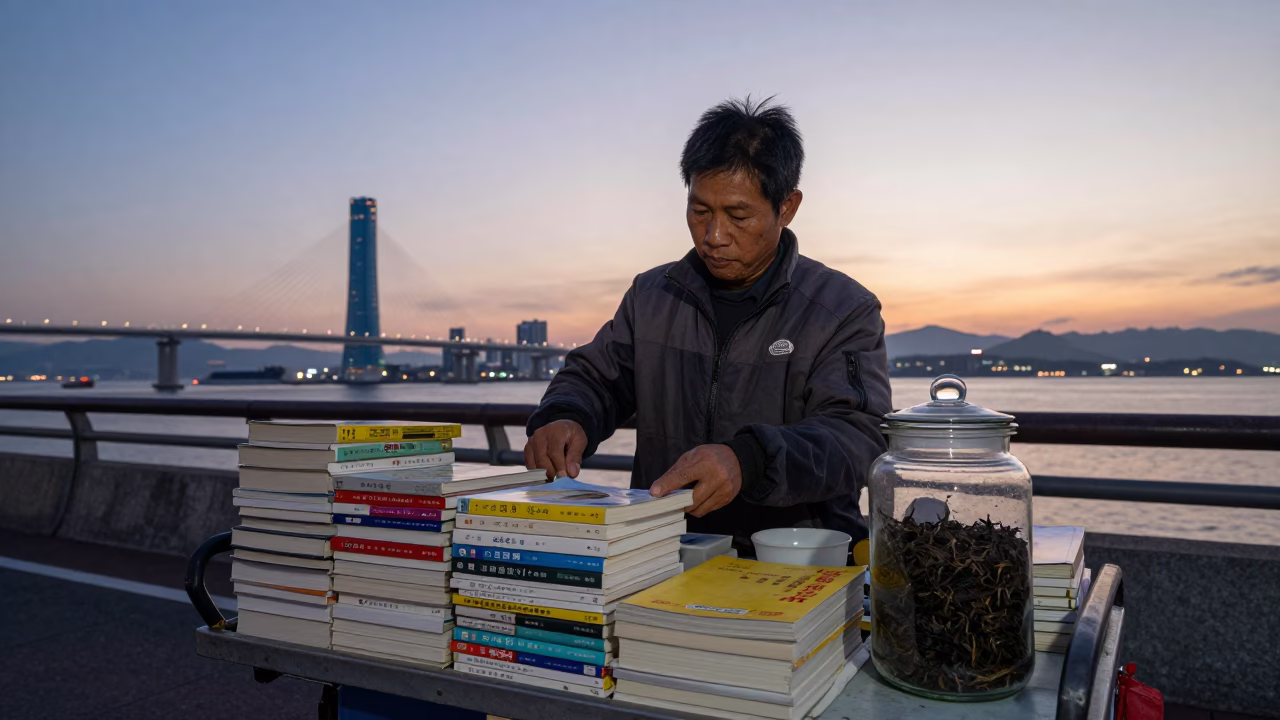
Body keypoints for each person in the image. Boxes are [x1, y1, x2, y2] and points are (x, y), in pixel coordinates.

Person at [523, 97, 892, 553]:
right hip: (666, 549)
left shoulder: (842, 308)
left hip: (797, 557)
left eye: (737, 216)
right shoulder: (653, 295)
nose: (714, 236)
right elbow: (596, 377)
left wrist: (749, 460)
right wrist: (566, 416)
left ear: (787, 207)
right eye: (700, 212)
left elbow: (858, 436)